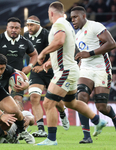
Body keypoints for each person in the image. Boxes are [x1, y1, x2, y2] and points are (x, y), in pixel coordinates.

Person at [36, 1, 107, 146]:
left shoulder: (58, 24)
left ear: (51, 13)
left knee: (49, 103)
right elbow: (66, 47)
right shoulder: (67, 24)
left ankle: (51, 139)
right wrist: (51, 60)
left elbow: (60, 41)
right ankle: (98, 120)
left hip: (65, 71)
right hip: (71, 69)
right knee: (71, 102)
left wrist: (43, 52)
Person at [71, 6, 116, 143]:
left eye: (75, 17)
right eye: (71, 18)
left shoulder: (96, 26)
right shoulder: (76, 34)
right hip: (85, 69)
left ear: (84, 16)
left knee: (101, 107)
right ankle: (86, 136)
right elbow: (82, 54)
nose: (73, 20)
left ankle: (113, 120)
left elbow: (112, 43)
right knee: (81, 97)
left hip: (102, 68)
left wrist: (90, 53)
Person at [23, 15, 69, 137]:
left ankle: (62, 113)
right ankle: (41, 129)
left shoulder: (48, 34)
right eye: (27, 25)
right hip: (35, 72)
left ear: (38, 24)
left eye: (31, 25)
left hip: (51, 71)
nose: (29, 27)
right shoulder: (26, 36)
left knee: (55, 100)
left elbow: (55, 51)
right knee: (34, 97)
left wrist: (43, 65)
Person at [0, 17, 38, 109]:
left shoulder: (25, 42)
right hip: (0, 77)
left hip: (16, 76)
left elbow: (34, 55)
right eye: (11, 27)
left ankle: (19, 122)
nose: (14, 30)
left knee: (17, 98)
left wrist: (30, 66)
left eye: (16, 28)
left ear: (20, 29)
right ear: (7, 28)